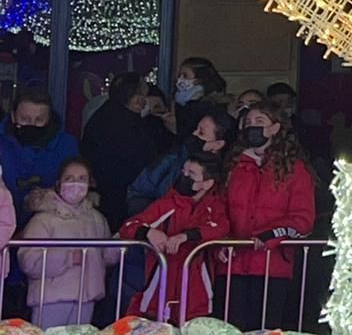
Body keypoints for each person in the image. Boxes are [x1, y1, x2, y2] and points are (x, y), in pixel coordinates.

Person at [222, 103, 316, 330]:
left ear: (275, 128)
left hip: (272, 266)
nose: (252, 127)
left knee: (265, 328)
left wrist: (271, 234)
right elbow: (219, 209)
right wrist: (221, 240)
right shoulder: (234, 166)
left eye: (259, 122)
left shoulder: (295, 169)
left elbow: (303, 219)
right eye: (248, 123)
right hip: (232, 264)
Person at [120, 151, 230, 324]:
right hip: (159, 292)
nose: (184, 176)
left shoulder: (214, 208)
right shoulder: (166, 204)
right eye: (183, 171)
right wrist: (148, 232)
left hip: (196, 296)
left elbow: (221, 227)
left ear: (207, 183)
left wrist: (186, 236)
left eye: (191, 174)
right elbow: (128, 226)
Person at [17, 158, 111, 330]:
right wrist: (66, 258)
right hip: (51, 298)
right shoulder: (42, 220)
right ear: (59, 183)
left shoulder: (97, 219)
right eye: (70, 178)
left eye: (82, 179)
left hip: (86, 298)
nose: (76, 183)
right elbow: (28, 262)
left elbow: (107, 256)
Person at [80, 71, 171, 229]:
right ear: (135, 99)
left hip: (107, 195)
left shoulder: (102, 116)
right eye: (143, 96)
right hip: (124, 198)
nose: (145, 102)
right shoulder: (130, 126)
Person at [128, 102, 234, 215]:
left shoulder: (224, 176)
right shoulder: (179, 155)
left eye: (201, 133)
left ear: (218, 144)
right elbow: (141, 190)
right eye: (196, 129)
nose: (194, 134)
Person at [0, 89, 80, 221]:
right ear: (13, 116)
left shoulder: (66, 145)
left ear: (49, 119)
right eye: (25, 119)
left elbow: (75, 185)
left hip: (50, 226)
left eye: (39, 120)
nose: (31, 124)